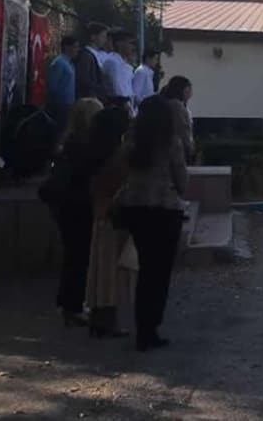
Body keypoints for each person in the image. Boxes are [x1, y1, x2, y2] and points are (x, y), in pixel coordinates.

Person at [115, 95, 188, 351]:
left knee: (145, 268)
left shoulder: (131, 141)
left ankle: (142, 328)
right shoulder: (172, 142)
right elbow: (182, 180)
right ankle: (150, 328)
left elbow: (121, 172)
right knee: (159, 273)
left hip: (135, 209)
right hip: (165, 211)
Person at [42, 97, 104, 328]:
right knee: (79, 257)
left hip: (65, 204)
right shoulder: (85, 146)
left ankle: (67, 303)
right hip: (79, 204)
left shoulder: (68, 141)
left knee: (72, 255)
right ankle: (73, 306)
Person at [84, 106, 133, 338]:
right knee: (111, 273)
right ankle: (107, 321)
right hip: (113, 217)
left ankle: (97, 317)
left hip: (99, 215)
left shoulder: (93, 152)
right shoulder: (117, 157)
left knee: (98, 269)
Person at [45, 35, 80, 135]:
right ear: (67, 47)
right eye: (75, 46)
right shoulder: (59, 63)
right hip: (59, 106)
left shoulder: (70, 64)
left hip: (68, 105)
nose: (77, 50)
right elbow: (52, 86)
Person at [160, 76, 195, 162]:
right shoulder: (176, 106)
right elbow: (182, 129)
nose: (191, 92)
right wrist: (189, 147)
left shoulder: (176, 105)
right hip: (176, 150)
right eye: (188, 88)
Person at [101, 30, 136, 112]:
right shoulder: (112, 62)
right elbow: (117, 90)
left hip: (128, 105)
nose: (132, 47)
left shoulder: (125, 64)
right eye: (130, 43)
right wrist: (128, 107)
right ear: (119, 44)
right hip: (118, 107)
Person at [76, 22, 110, 100]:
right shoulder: (86, 56)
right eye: (102, 36)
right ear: (93, 37)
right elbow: (84, 80)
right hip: (89, 100)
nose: (105, 40)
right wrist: (100, 88)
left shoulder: (96, 54)